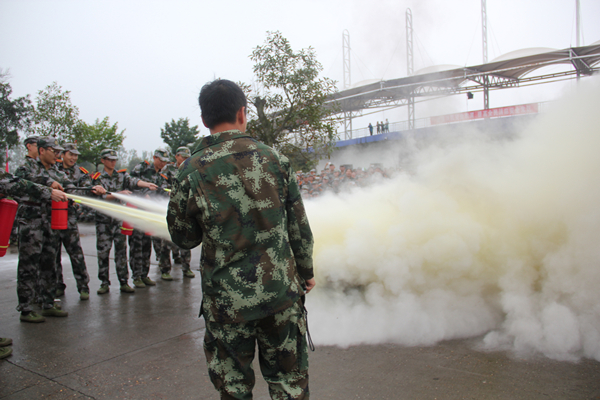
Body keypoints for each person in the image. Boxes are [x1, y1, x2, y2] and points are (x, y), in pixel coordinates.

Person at [167, 79, 315, 400]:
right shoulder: (275, 160)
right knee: (289, 384)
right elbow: (299, 227)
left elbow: (183, 238)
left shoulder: (190, 170)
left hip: (227, 303)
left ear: (204, 119)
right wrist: (306, 272)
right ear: (242, 113)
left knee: (234, 389)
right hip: (280, 294)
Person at [1, 169, 68, 325]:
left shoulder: (55, 171)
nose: (56, 157)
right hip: (31, 222)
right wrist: (48, 189)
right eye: (54, 154)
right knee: (28, 265)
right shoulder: (25, 168)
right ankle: (26, 308)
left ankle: (48, 303)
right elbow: (13, 182)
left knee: (49, 263)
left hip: (49, 221)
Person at [91, 149, 157, 294]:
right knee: (103, 253)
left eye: (114, 159)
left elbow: (134, 181)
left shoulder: (121, 176)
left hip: (118, 220)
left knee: (121, 252)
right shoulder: (97, 178)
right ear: (103, 160)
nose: (112, 162)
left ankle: (124, 282)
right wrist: (118, 194)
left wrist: (146, 184)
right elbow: (100, 197)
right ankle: (104, 283)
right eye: (109, 159)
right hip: (103, 221)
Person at [55, 143, 96, 300]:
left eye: (76, 155)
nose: (73, 158)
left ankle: (83, 286)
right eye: (70, 154)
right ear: (63, 154)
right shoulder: (53, 169)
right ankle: (57, 286)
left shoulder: (81, 173)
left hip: (69, 216)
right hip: (52, 215)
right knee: (53, 254)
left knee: (75, 253)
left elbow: (86, 188)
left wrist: (94, 189)